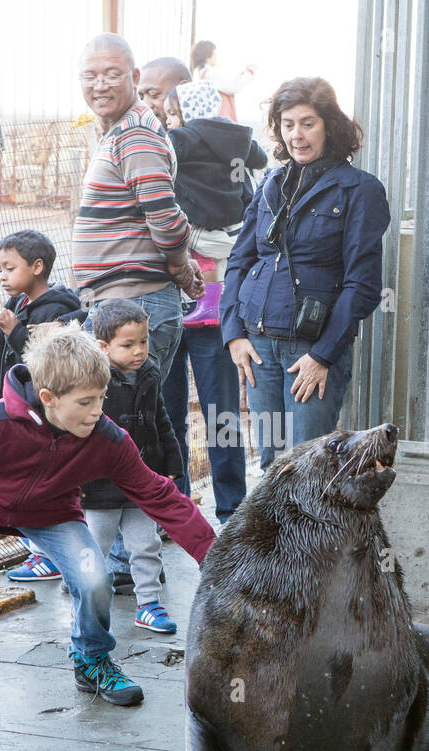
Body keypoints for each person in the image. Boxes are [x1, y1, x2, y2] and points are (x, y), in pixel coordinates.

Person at [0, 326, 216, 726]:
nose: (98, 411)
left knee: (95, 579)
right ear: (49, 398)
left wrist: (213, 555)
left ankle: (91, 658)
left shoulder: (105, 438)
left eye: (101, 398)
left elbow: (159, 494)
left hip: (52, 511)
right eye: (85, 402)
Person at [73, 34, 204, 587]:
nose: (100, 84)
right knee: (118, 425)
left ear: (132, 79)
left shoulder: (138, 134)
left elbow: (165, 216)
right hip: (118, 304)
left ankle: (124, 563)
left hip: (138, 305)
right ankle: (121, 561)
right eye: (90, 74)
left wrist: (180, 267)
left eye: (111, 74)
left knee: (128, 427)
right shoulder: (116, 134)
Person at [220, 77, 391, 471]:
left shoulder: (359, 190)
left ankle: (310, 536)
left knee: (307, 468)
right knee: (270, 463)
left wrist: (323, 356)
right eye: (288, 124)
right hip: (258, 348)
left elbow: (362, 286)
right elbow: (239, 261)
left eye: (308, 123)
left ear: (329, 124)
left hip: (309, 352)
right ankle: (272, 537)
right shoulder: (270, 184)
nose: (297, 135)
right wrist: (233, 334)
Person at [160, 76, 267, 522]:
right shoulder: (239, 140)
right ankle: (230, 510)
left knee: (171, 414)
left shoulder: (172, 143)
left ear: (181, 111)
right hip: (218, 293)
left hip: (173, 298)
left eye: (168, 111)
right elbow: (258, 160)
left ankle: (179, 505)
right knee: (219, 412)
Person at [76, 300, 183, 634]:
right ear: (103, 346)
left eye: (144, 342)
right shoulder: (91, 381)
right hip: (99, 485)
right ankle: (87, 609)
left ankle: (149, 604)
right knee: (94, 549)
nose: (139, 351)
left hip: (141, 480)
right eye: (128, 345)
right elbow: (77, 431)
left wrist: (171, 461)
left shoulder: (149, 372)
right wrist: (74, 479)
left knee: (146, 545)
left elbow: (160, 419)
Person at [0, 230, 82, 402]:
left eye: (10, 269)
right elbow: (6, 350)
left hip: (33, 407)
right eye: (0, 270)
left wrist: (15, 333)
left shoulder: (55, 312)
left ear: (37, 267)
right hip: (12, 399)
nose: (2, 277)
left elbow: (46, 363)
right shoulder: (18, 302)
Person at [190, 40, 254, 122]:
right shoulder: (210, 74)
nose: (216, 56)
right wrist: (249, 73)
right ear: (207, 56)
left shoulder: (201, 74)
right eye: (214, 53)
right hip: (221, 119)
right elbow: (233, 88)